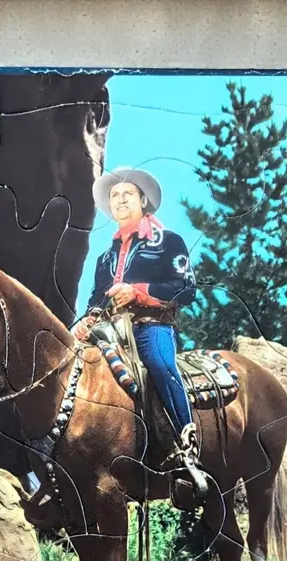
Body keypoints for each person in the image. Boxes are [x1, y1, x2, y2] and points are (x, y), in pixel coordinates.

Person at [73, 166, 201, 471]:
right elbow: (96, 300)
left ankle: (186, 444)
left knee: (159, 364)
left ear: (143, 201)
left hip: (151, 325)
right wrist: (87, 320)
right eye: (114, 195)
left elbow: (186, 289)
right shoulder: (105, 257)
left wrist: (138, 292)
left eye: (127, 193)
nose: (120, 199)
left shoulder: (169, 242)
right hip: (109, 331)